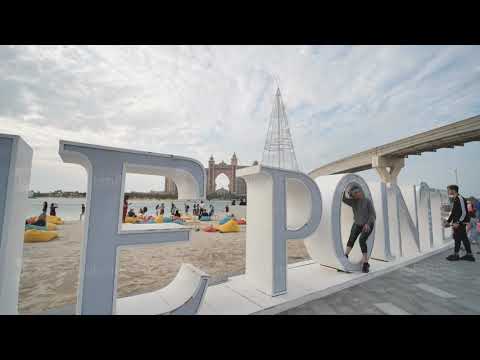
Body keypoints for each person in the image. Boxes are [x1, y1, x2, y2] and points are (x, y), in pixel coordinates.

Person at [342, 185, 376, 273]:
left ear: (360, 191)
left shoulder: (367, 201)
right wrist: (345, 190)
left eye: (358, 192)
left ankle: (365, 263)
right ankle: (345, 256)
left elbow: (373, 215)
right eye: (355, 193)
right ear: (352, 195)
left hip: (367, 224)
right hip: (357, 223)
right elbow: (343, 199)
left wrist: (368, 224)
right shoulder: (353, 202)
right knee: (351, 239)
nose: (357, 194)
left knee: (362, 240)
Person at [444, 185, 475, 261]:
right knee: (460, 238)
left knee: (460, 238)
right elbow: (453, 213)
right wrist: (448, 222)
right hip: (458, 223)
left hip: (460, 223)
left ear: (453, 190)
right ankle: (466, 255)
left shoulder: (460, 198)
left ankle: (459, 255)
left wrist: (458, 222)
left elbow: (464, 212)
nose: (448, 191)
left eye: (449, 190)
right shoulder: (455, 199)